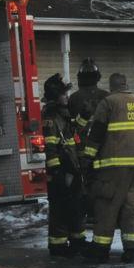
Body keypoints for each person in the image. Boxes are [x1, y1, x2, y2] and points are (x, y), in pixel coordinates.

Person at [81, 72, 134, 263]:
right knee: (132, 205)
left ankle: (100, 248)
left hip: (113, 164)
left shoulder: (108, 103)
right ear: (126, 84)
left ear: (111, 86)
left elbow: (97, 132)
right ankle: (132, 248)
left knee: (107, 204)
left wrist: (87, 158)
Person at [66, 58, 110, 245]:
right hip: (103, 148)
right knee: (102, 183)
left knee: (83, 186)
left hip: (82, 149)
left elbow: (71, 126)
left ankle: (85, 216)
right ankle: (100, 214)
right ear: (97, 77)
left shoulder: (74, 98)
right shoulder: (106, 96)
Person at [40, 73, 84, 256]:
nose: (67, 97)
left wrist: (84, 118)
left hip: (71, 168)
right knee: (60, 208)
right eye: (64, 94)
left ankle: (77, 240)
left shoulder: (63, 114)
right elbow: (51, 147)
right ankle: (58, 245)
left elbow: (73, 134)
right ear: (55, 96)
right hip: (61, 171)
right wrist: (57, 171)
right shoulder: (51, 117)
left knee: (75, 206)